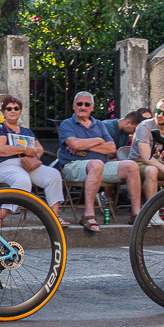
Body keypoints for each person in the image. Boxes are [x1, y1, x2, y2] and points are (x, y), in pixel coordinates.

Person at [58, 91, 142, 233]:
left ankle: (137, 215)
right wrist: (98, 141)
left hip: (101, 166)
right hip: (74, 166)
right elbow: (74, 145)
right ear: (74, 106)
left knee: (131, 166)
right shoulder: (67, 124)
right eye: (79, 104)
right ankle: (88, 214)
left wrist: (85, 145)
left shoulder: (99, 125)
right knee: (96, 163)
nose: (83, 107)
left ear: (92, 107)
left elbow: (111, 147)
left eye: (87, 104)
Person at [0, 95, 66, 226]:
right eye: (9, 108)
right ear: (4, 112)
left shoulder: (26, 131)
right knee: (23, 180)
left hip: (27, 165)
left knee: (54, 175)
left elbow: (39, 148)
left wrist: (32, 156)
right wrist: (24, 149)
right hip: (3, 165)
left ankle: (55, 216)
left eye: (16, 108)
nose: (13, 111)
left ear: (20, 111)